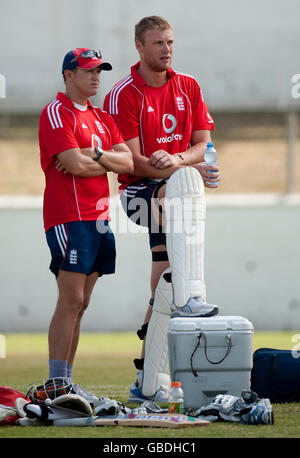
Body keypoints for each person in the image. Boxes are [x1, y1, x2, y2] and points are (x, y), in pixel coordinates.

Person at [104, 16, 220, 403]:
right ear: (139, 47)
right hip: (137, 194)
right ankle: (192, 296)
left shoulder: (189, 85)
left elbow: (203, 145)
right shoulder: (125, 93)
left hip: (173, 188)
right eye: (157, 43)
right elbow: (131, 162)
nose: (166, 49)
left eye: (170, 42)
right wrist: (180, 167)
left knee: (165, 274)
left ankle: (147, 376)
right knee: (182, 188)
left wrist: (179, 160)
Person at [37, 48, 133, 402]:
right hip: (69, 216)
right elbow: (72, 165)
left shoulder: (102, 117)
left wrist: (94, 155)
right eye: (88, 70)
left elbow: (126, 161)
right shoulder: (55, 112)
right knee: (71, 298)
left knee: (83, 302)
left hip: (100, 218)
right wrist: (99, 160)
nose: (96, 76)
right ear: (69, 75)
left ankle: (66, 382)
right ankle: (56, 383)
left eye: (99, 71)